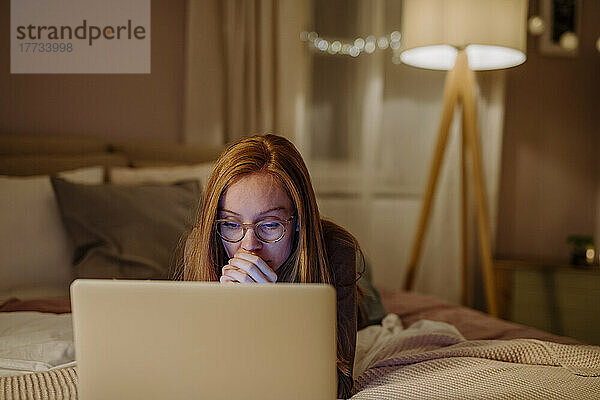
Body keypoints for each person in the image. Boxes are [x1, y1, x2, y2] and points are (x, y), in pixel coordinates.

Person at [173, 134, 361, 398]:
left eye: (270, 225)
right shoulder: (202, 246)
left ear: (298, 221)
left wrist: (271, 315)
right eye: (230, 224)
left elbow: (336, 389)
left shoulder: (335, 251)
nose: (249, 246)